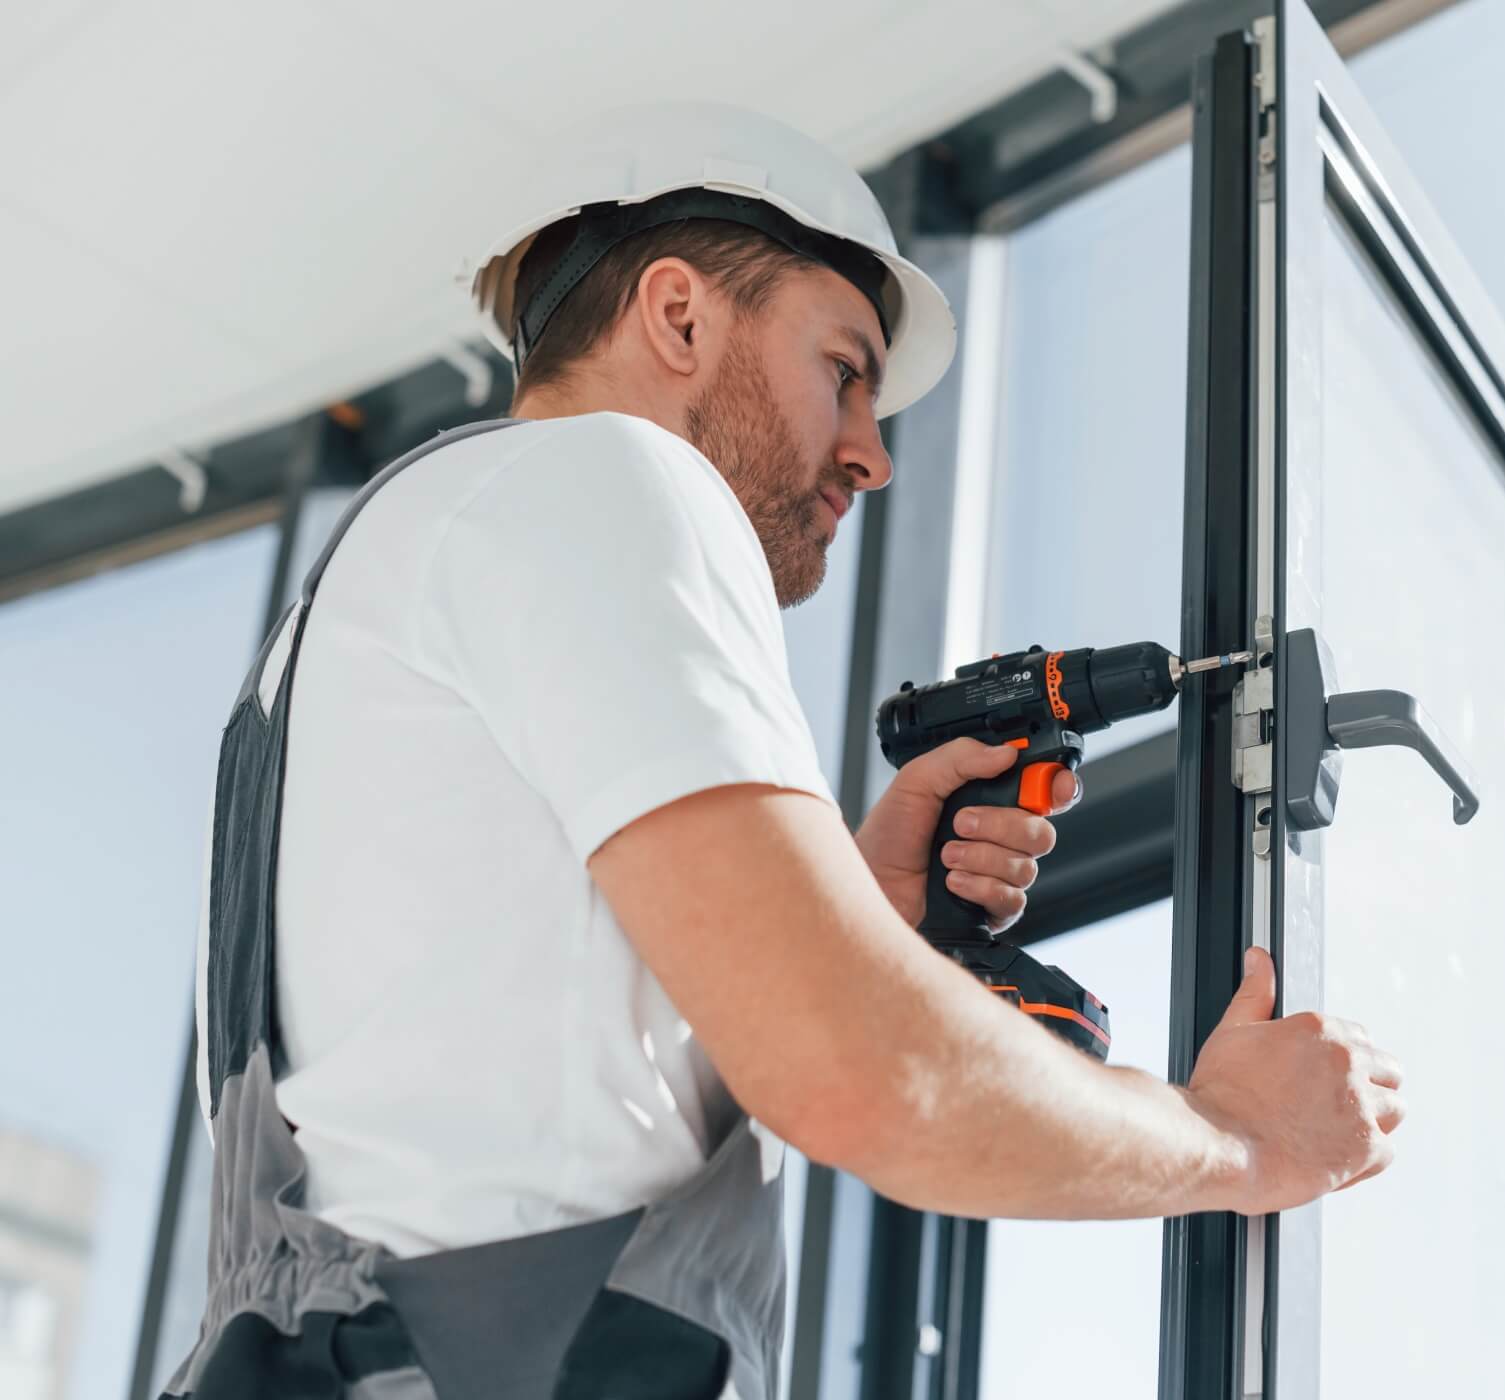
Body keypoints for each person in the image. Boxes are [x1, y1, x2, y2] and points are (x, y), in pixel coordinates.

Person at [170, 102, 1402, 1399]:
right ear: (680, 317)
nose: (871, 453)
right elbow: (869, 1079)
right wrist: (1239, 1140)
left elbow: (521, 1097)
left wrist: (853, 914)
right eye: (845, 370)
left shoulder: (362, 598)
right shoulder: (604, 484)